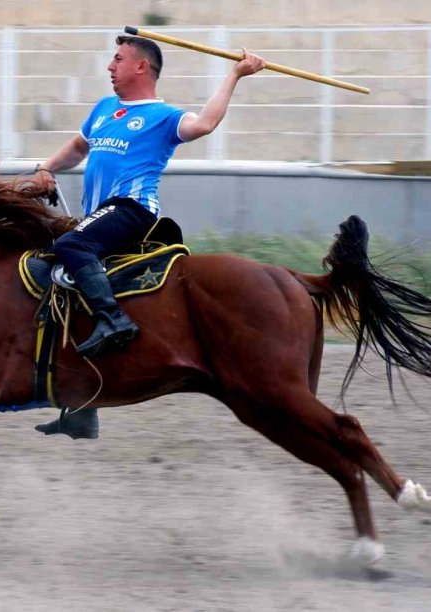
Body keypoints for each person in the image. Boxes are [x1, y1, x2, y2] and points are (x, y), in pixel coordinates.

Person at [33, 35, 265, 439]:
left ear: (141, 67)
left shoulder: (162, 117)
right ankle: (82, 409)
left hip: (133, 210)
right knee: (59, 277)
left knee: (70, 246)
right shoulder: (105, 109)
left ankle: (115, 321)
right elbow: (77, 146)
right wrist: (46, 168)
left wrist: (236, 75)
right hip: (99, 216)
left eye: (118, 59)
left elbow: (205, 124)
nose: (110, 66)